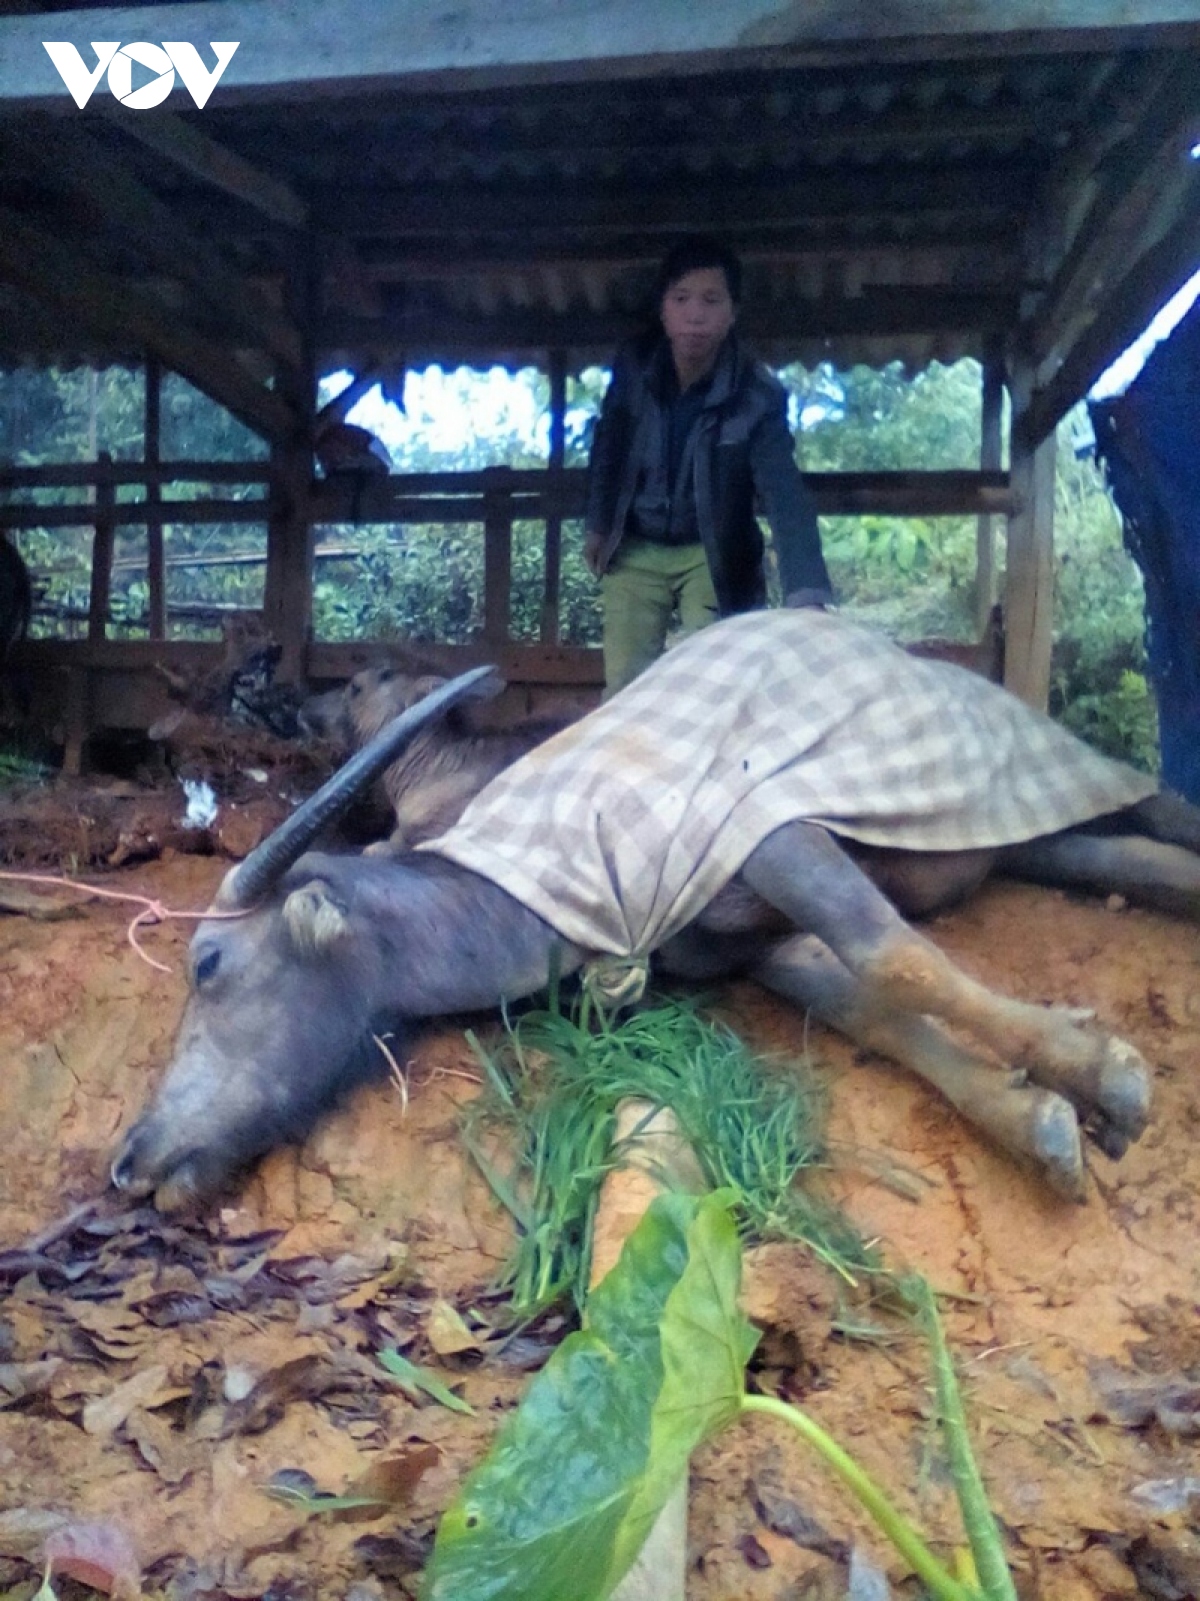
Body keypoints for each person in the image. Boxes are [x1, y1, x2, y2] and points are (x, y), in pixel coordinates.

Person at [583, 235, 833, 695]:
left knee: (713, 687)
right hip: (635, 544)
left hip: (713, 553)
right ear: (663, 309)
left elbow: (784, 492)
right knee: (624, 689)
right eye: (681, 299)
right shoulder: (635, 369)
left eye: (711, 300)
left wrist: (806, 592)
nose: (695, 314)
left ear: (732, 313)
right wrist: (598, 523)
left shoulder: (757, 394)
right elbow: (608, 442)